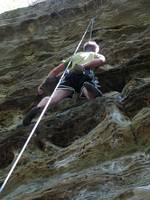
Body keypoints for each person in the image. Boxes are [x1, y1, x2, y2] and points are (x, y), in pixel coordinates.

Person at [23, 41, 106, 126]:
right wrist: (83, 66)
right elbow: (101, 61)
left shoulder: (74, 56)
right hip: (84, 72)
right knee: (86, 87)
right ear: (96, 50)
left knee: (53, 98)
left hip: (69, 75)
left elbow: (55, 71)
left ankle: (38, 107)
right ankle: (88, 91)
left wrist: (43, 84)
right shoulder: (94, 54)